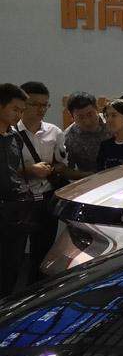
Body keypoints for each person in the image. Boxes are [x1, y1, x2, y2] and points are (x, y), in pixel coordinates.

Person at [15, 81, 66, 283]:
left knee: (43, 250)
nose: (41, 109)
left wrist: (50, 169)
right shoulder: (9, 132)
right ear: (23, 104)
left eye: (45, 105)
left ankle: (36, 289)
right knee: (14, 252)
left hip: (45, 197)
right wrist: (30, 170)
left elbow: (62, 164)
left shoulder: (54, 132)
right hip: (18, 199)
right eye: (35, 104)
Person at [0, 84, 30, 296]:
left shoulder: (15, 137)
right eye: (15, 109)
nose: (19, 115)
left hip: (13, 209)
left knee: (12, 265)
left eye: (22, 110)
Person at [58, 91, 110, 181]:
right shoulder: (68, 138)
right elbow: (66, 171)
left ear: (97, 109)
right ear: (72, 116)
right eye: (81, 117)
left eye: (90, 115)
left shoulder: (111, 122)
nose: (87, 122)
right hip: (94, 183)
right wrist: (88, 175)